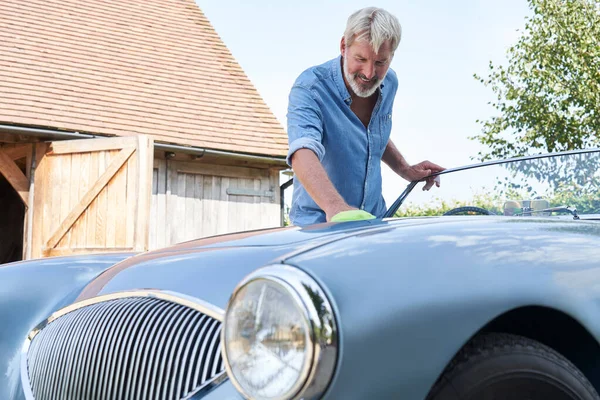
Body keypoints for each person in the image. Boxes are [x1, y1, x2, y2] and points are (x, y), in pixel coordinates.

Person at [286, 6, 445, 226]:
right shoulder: (310, 87)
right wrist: (336, 208)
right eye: (360, 59)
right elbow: (302, 151)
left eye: (380, 62)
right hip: (320, 227)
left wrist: (405, 169)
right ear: (344, 46)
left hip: (373, 221)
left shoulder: (389, 83)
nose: (369, 73)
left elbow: (372, 132)